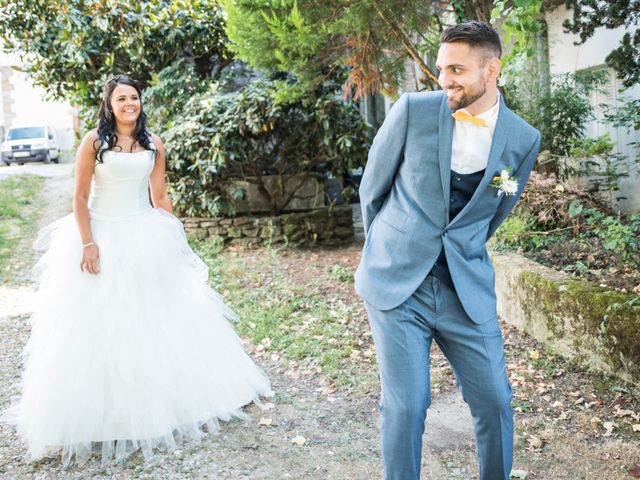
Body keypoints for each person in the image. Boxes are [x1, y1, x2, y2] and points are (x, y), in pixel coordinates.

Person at [2, 75, 272, 466]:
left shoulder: (153, 144)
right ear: (109, 104)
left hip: (144, 234)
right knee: (99, 323)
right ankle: (98, 415)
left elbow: (159, 196)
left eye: (134, 97)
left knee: (158, 317)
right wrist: (88, 243)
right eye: (122, 98)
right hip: (102, 234)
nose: (130, 103)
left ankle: (165, 401)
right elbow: (78, 197)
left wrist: (175, 241)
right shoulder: (94, 142)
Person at [354, 22, 541, 480]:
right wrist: (389, 248)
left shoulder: (522, 139)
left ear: (491, 69)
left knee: (495, 400)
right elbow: (372, 191)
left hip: (465, 287)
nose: (445, 80)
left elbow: (497, 208)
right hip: (398, 283)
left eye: (456, 69)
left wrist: (462, 247)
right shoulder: (413, 112)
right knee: (408, 404)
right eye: (441, 69)